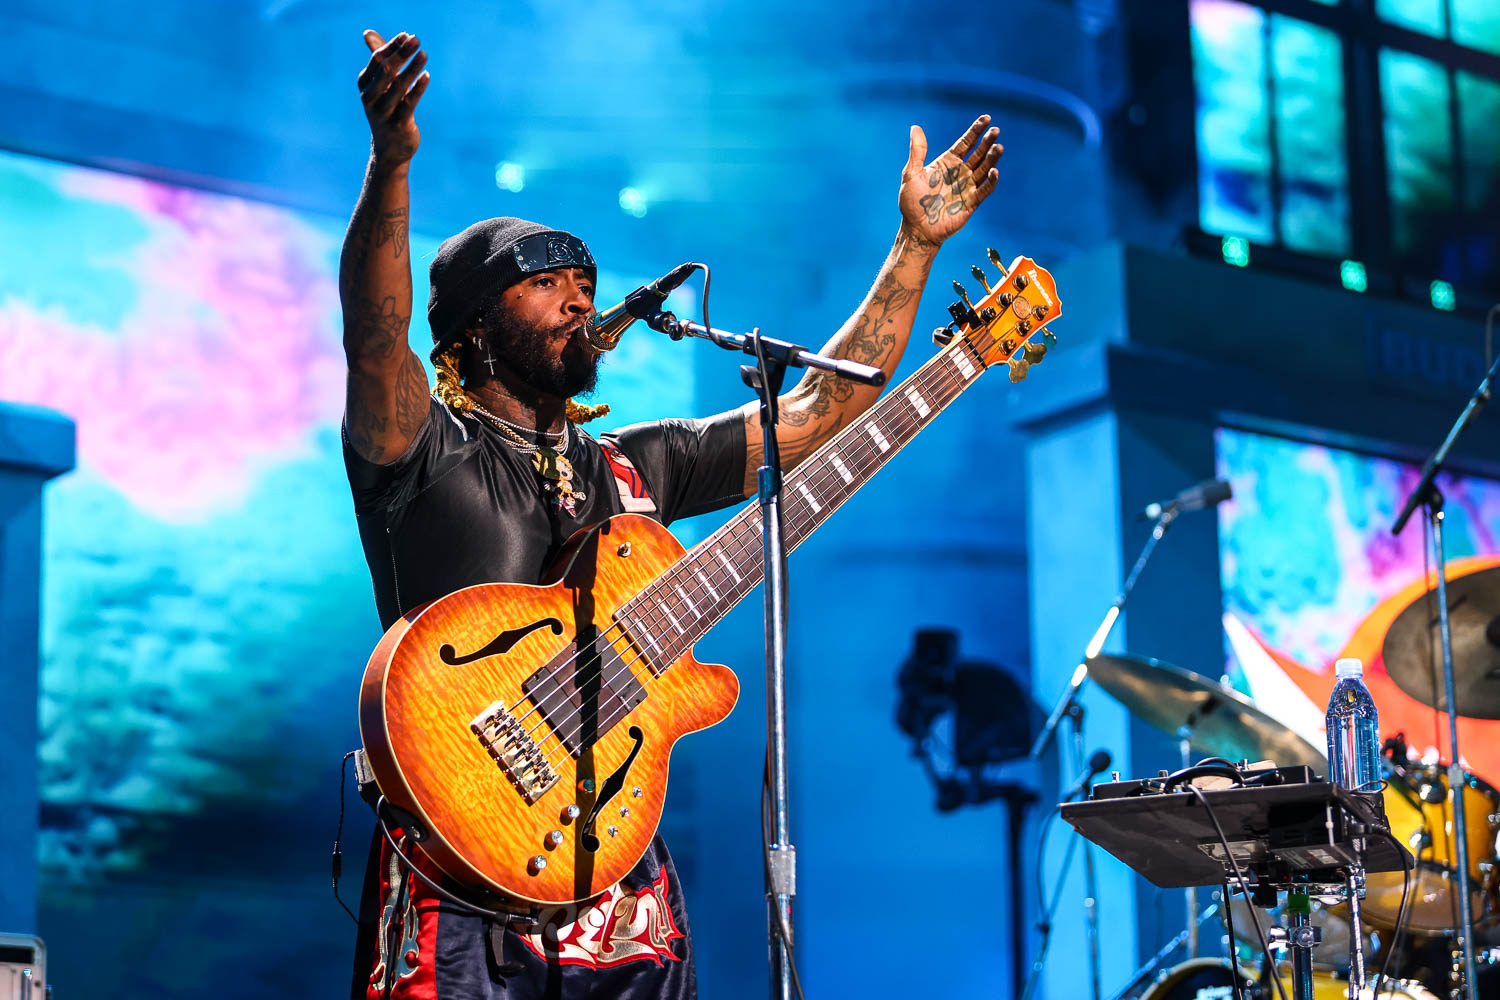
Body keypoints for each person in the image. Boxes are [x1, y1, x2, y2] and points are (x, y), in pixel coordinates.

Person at [340, 27, 1003, 1000]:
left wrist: (913, 247)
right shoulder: (423, 448)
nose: (578, 298)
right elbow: (373, 330)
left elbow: (824, 412)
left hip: (617, 875)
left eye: (584, 284)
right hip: (460, 851)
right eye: (545, 282)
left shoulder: (638, 462)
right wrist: (392, 164)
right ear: (475, 325)